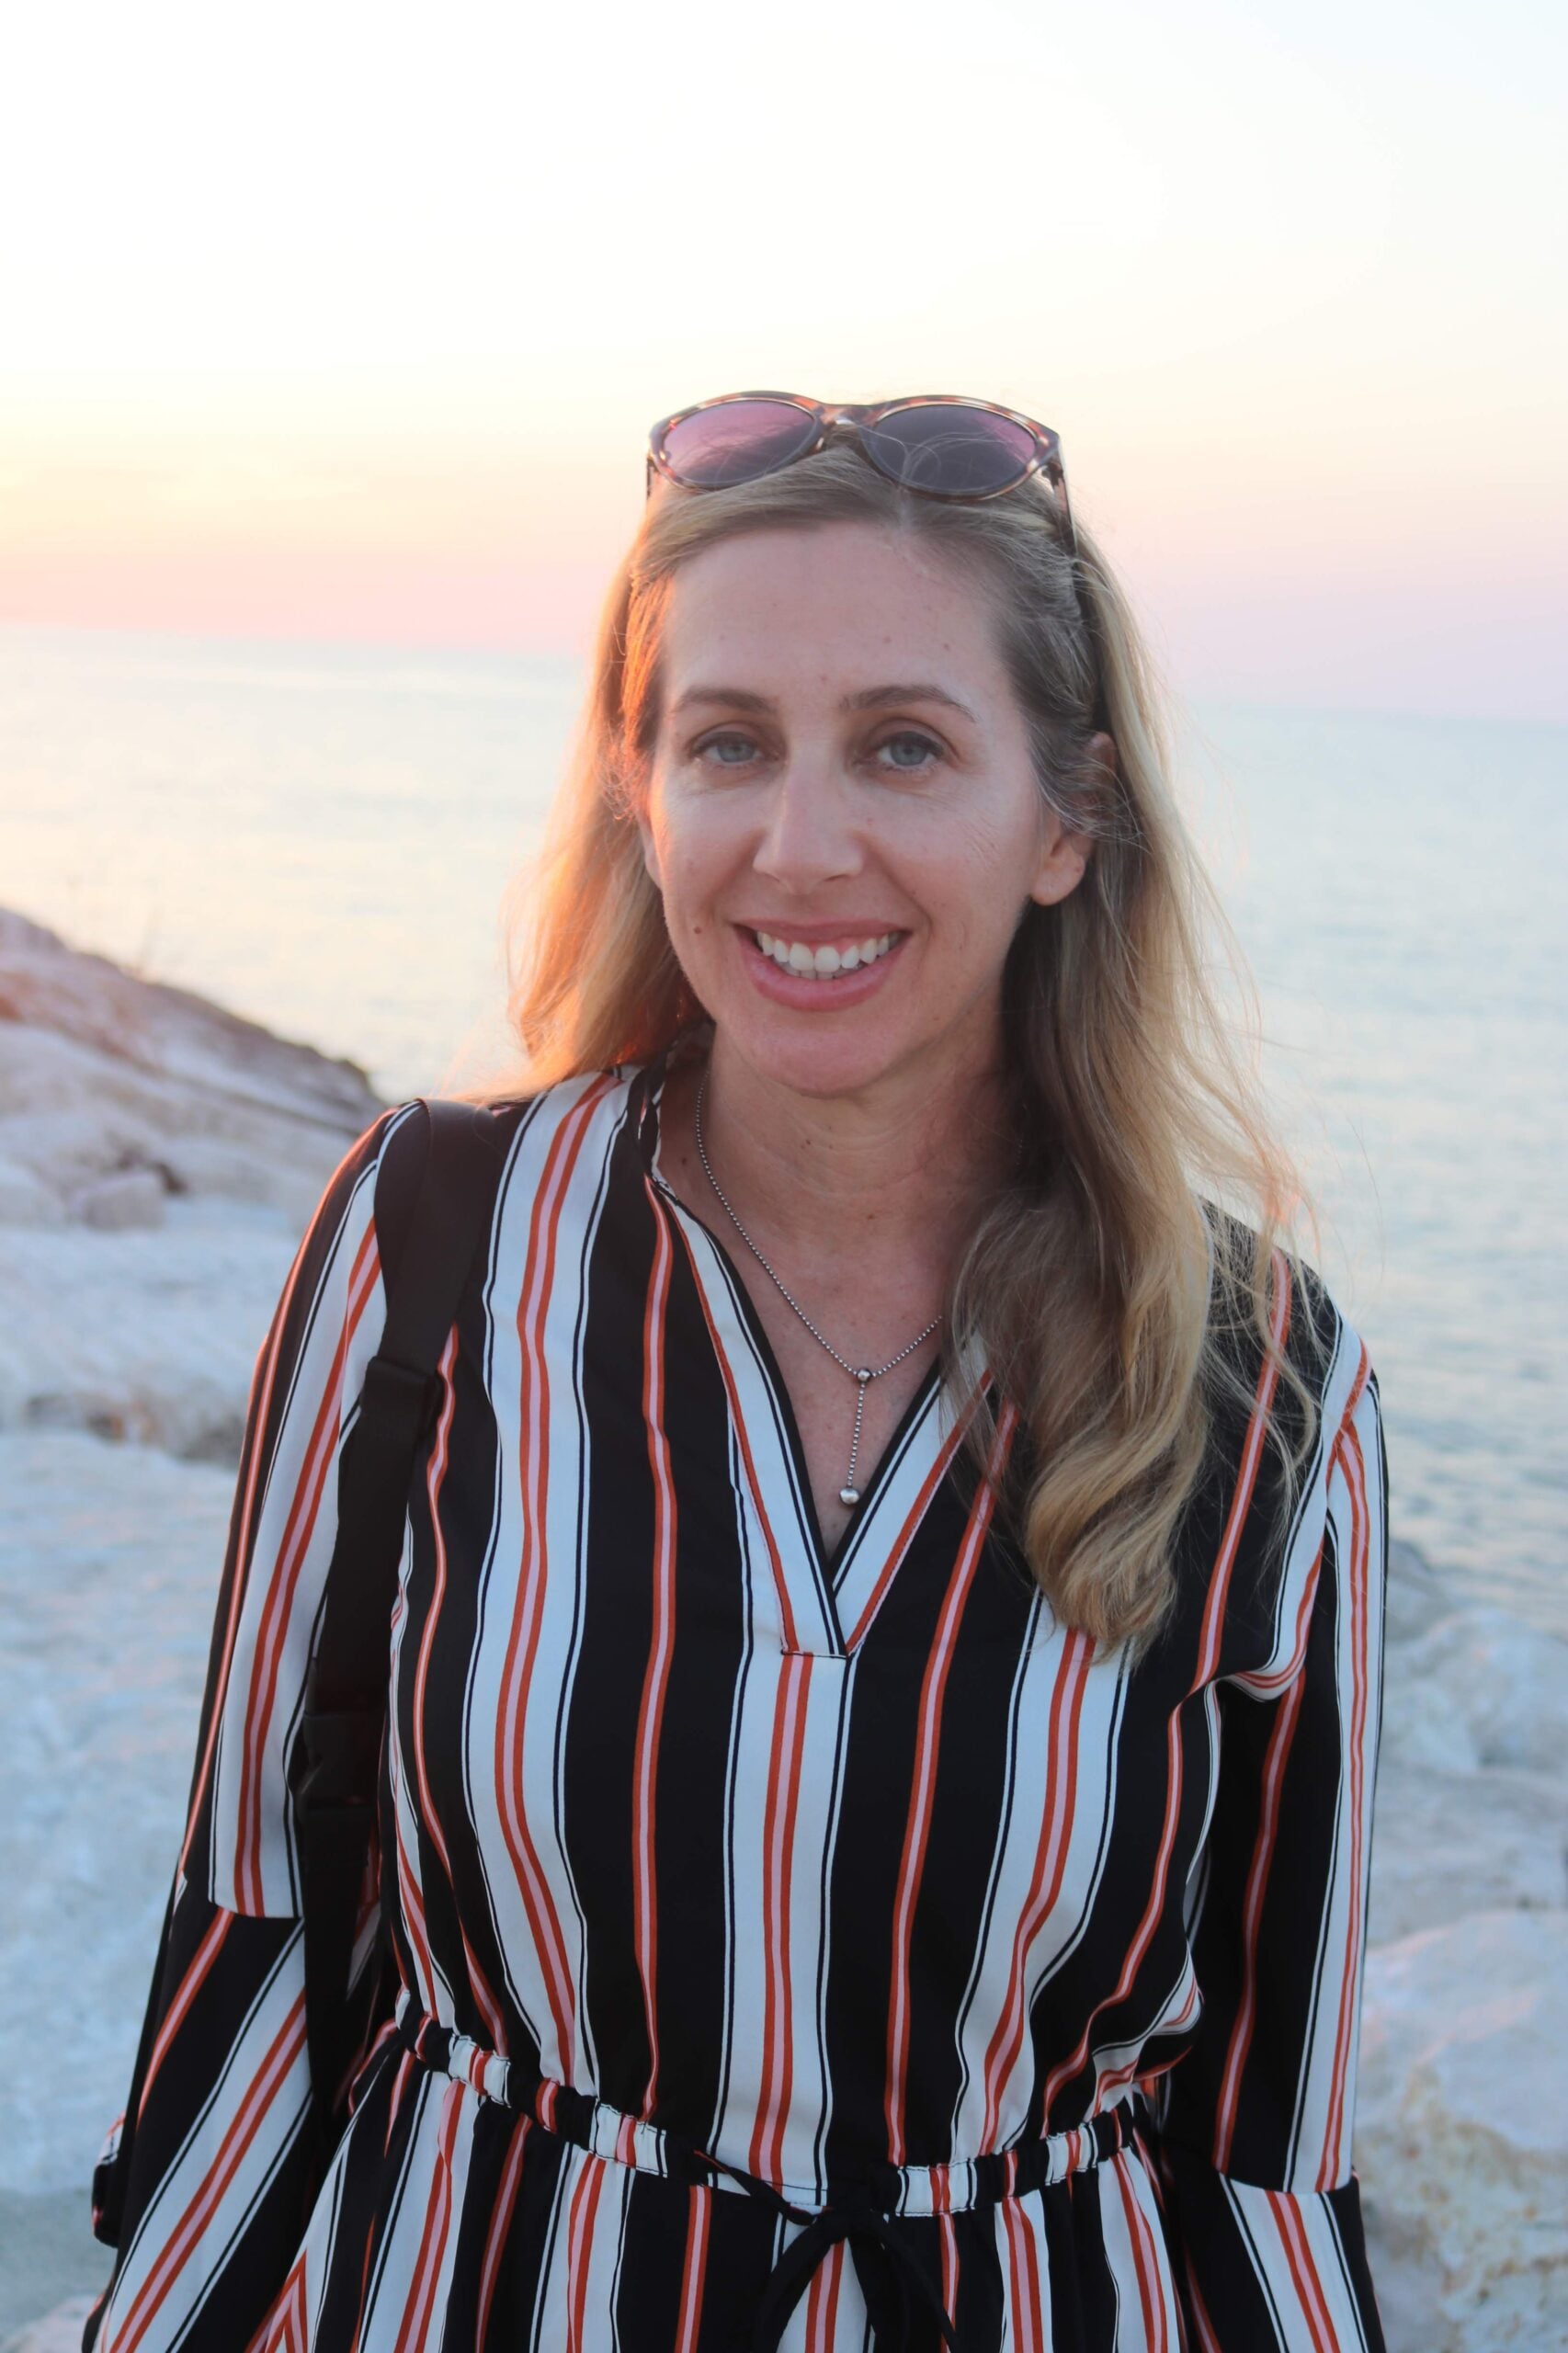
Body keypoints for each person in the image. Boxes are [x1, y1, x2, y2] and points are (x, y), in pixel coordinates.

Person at [84, 392, 1388, 2352]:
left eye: (903, 745)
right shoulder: (429, 1241)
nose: (799, 846)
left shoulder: (1263, 1375)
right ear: (639, 784)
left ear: (1068, 816)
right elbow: (270, 1916)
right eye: (727, 743)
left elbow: (1265, 2127)